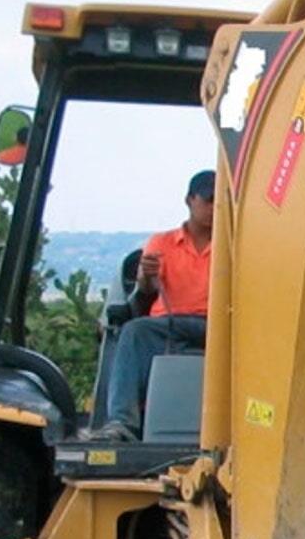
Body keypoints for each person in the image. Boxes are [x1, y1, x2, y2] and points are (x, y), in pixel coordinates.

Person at [87, 169, 216, 441]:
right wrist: (146, 276)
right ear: (190, 200)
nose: (214, 208)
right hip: (168, 324)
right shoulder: (162, 243)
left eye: (220, 201)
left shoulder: (232, 246)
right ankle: (122, 423)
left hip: (214, 327)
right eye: (209, 200)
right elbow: (145, 292)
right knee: (134, 332)